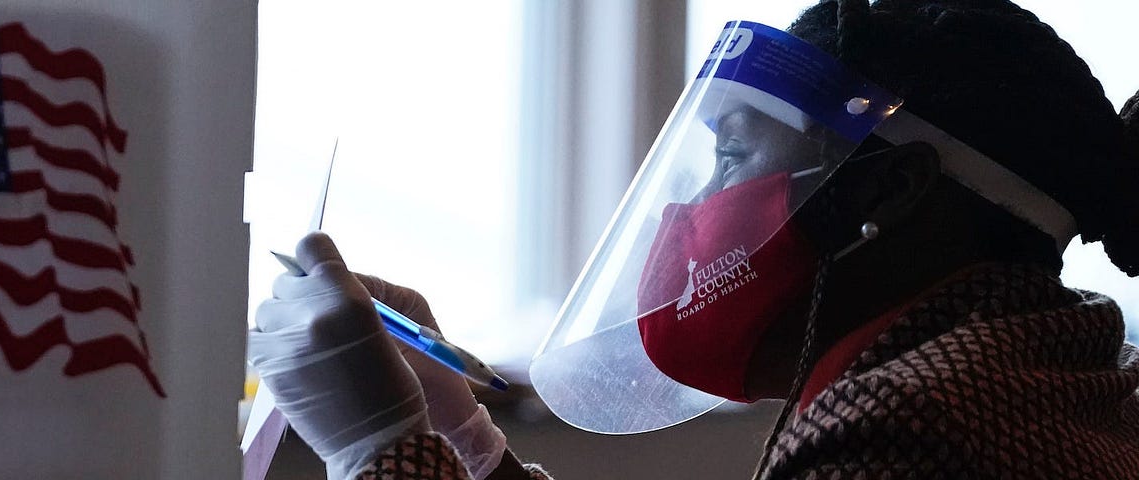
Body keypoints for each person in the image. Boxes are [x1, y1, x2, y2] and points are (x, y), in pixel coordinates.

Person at [248, 0, 1139, 478]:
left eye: (735, 155)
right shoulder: (1043, 372)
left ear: (888, 190)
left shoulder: (910, 432)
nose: (700, 205)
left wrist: (380, 448)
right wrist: (461, 439)